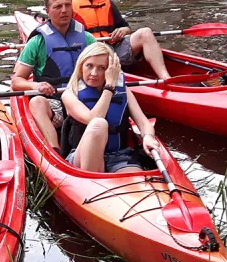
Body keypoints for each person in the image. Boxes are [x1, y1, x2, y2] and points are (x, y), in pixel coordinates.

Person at [10, 0, 95, 152]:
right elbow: (16, 81)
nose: (64, 10)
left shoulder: (87, 39)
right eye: (58, 6)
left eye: (68, 5)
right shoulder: (37, 42)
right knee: (37, 102)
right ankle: (54, 151)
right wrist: (36, 85)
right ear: (48, 11)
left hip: (83, 100)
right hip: (54, 103)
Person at [60, 43, 159, 174]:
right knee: (98, 123)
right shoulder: (69, 94)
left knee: (139, 182)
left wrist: (148, 136)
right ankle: (92, 180)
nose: (94, 73)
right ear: (81, 67)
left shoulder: (124, 91)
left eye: (102, 68)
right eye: (89, 66)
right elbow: (93, 119)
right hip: (81, 156)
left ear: (110, 70)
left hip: (118, 156)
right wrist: (109, 87)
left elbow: (143, 122)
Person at [72, 0, 173, 81]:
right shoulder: (69, 6)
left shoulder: (106, 2)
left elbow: (126, 27)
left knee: (145, 32)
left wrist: (122, 31)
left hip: (113, 49)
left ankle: (166, 78)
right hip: (91, 55)